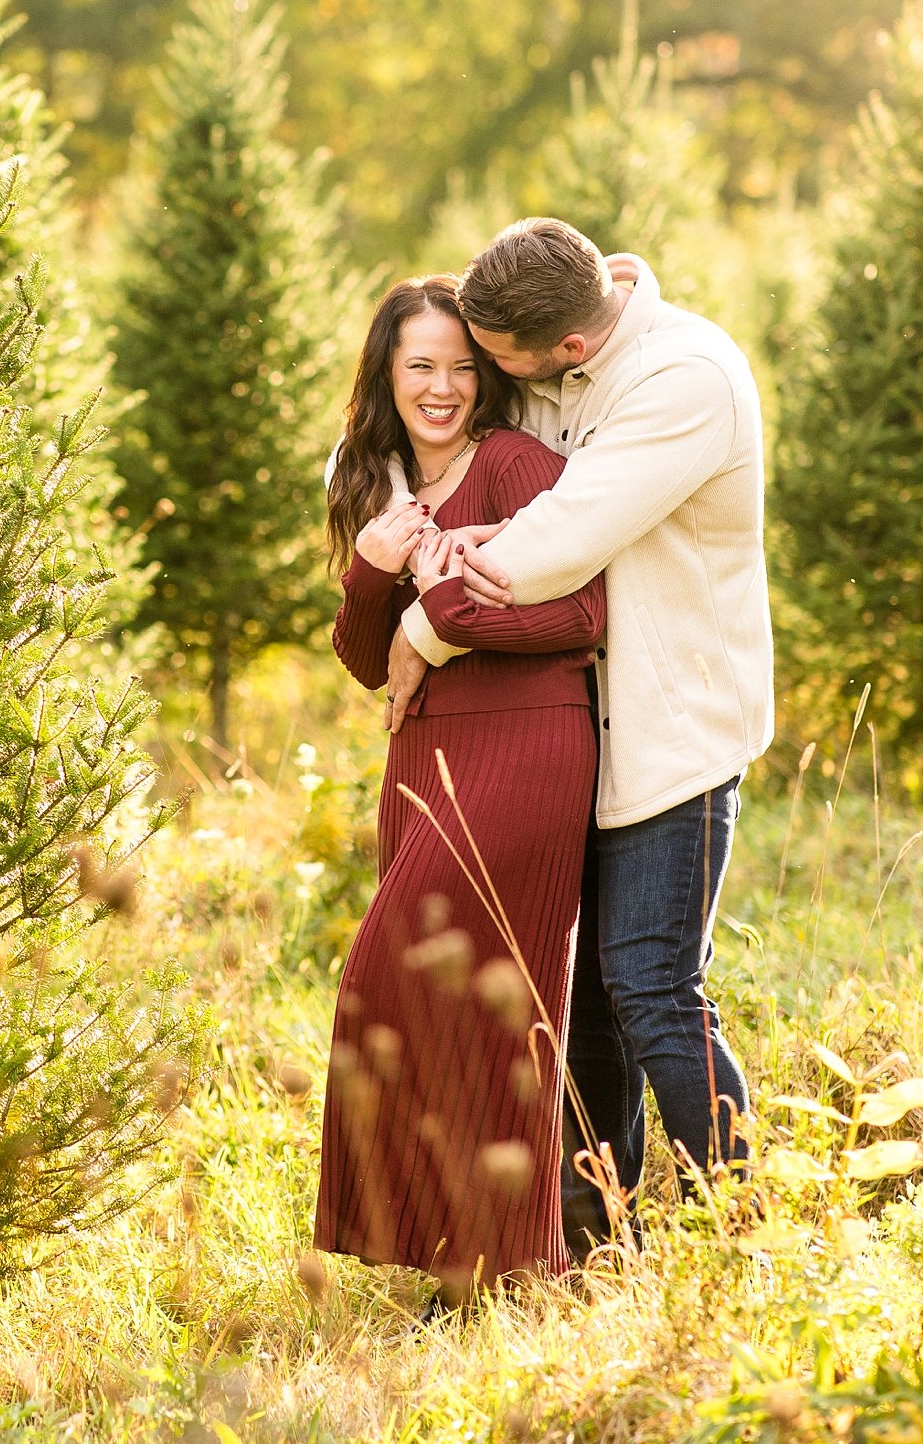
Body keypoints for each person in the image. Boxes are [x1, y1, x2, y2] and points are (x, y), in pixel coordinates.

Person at [385, 218, 773, 1255]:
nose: (482, 378)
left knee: (651, 988)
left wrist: (424, 621)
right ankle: (597, 1241)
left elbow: (559, 541)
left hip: (673, 730)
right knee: (586, 1002)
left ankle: (743, 1231)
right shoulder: (567, 351)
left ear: (565, 348)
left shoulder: (682, 376)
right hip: (585, 734)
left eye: (496, 362)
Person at [312, 275, 607, 1304]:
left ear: (486, 376)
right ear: (385, 376)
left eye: (460, 367)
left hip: (524, 749)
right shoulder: (371, 484)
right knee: (418, 997)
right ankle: (457, 1254)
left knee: (447, 989)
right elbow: (362, 658)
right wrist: (370, 569)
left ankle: (511, 1252)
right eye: (419, 366)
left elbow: (580, 621)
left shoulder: (523, 467)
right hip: (421, 759)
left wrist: (435, 608)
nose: (440, 387)